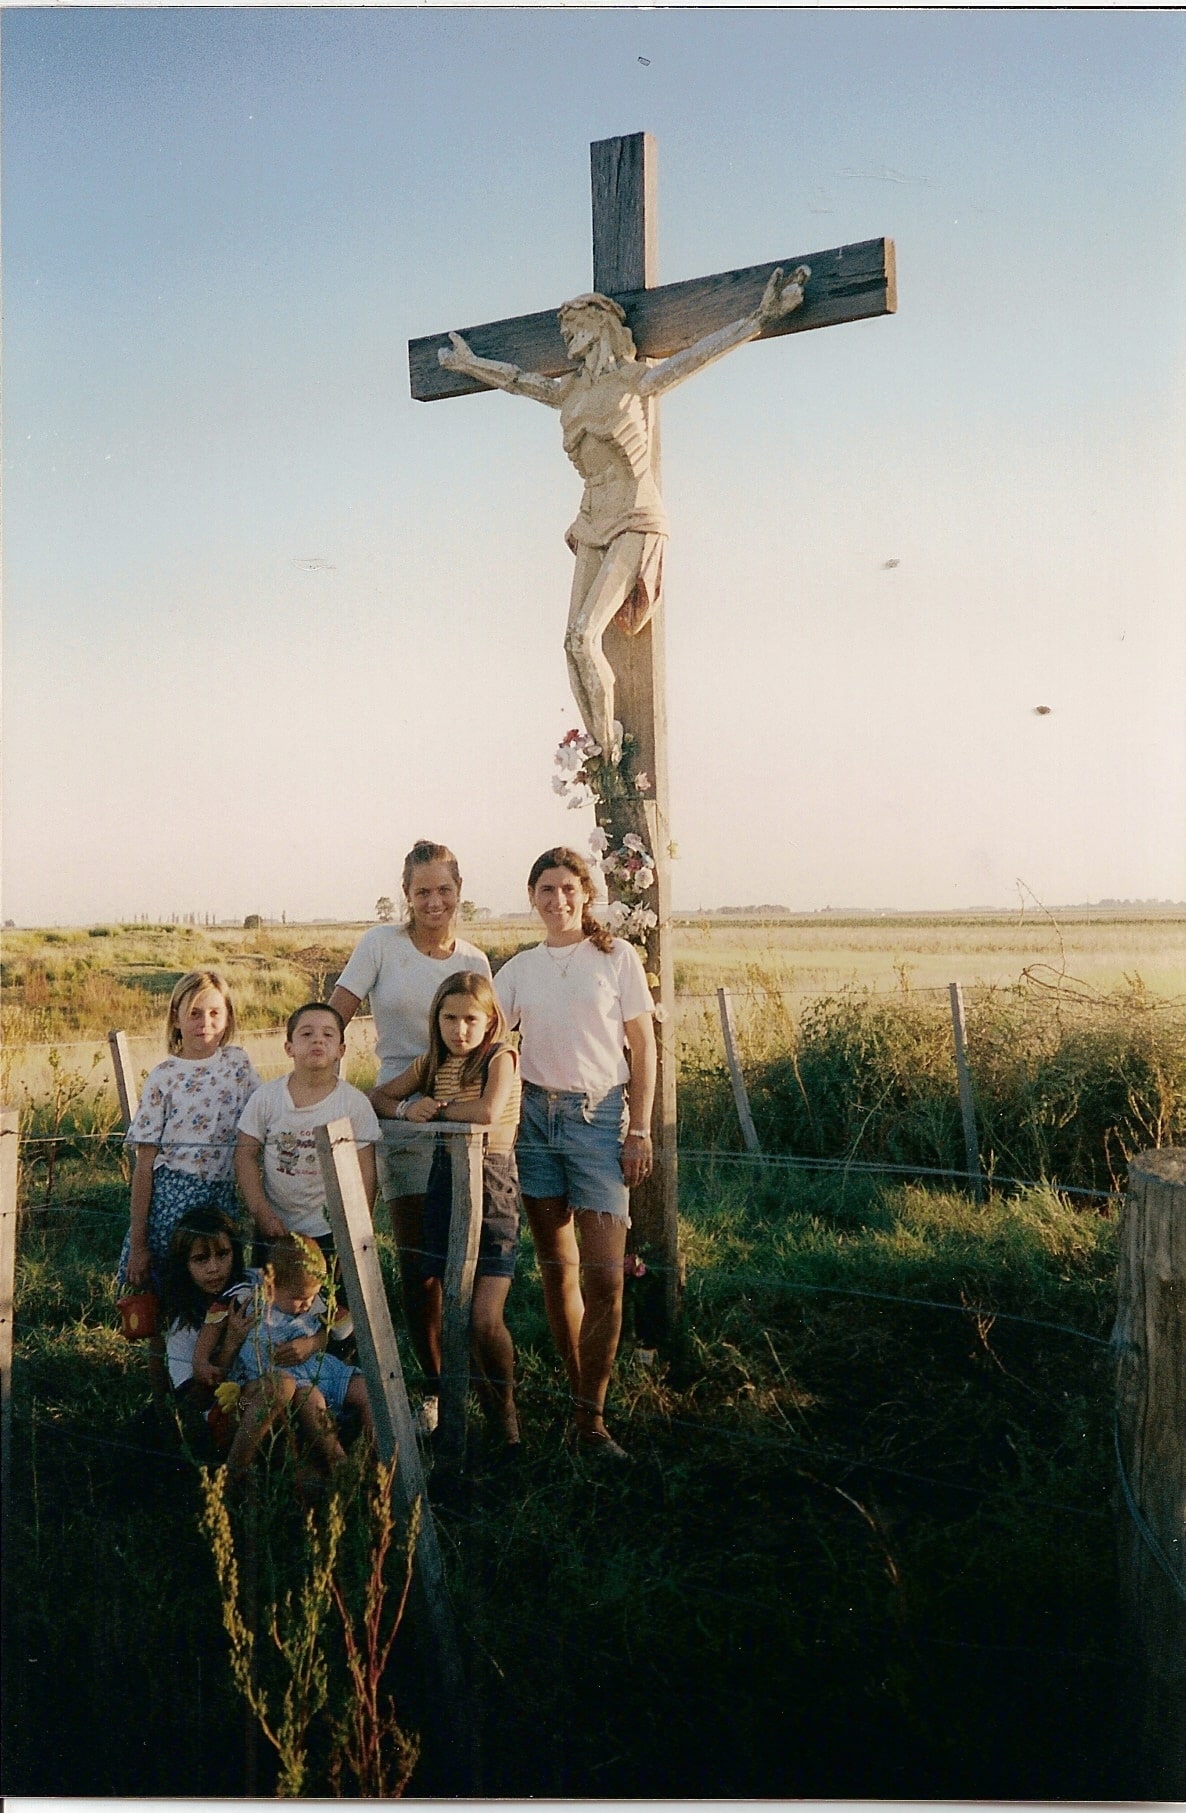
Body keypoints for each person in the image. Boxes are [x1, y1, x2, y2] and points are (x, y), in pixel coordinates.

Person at [438, 265, 810, 762]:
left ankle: (608, 754)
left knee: (583, 634)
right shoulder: (567, 391)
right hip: (592, 517)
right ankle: (602, 757)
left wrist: (759, 318)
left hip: (635, 515)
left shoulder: (637, 380)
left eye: (574, 323)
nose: (566, 332)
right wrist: (468, 364)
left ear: (601, 325)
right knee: (572, 644)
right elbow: (517, 382)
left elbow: (697, 357)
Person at [495, 847, 656, 1462]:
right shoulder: (519, 970)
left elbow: (643, 1048)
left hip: (600, 1119)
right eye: (545, 890)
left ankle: (592, 1421)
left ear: (586, 893)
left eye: (568, 889)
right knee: (558, 1271)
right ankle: (575, 1399)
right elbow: (482, 1030)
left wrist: (637, 1130)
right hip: (535, 1122)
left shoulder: (617, 959)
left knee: (606, 1278)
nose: (557, 901)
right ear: (532, 896)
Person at [330, 840, 491, 1433]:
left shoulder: (473, 956)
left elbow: (488, 1041)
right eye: (421, 891)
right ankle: (431, 1388)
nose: (433, 901)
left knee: (462, 1257)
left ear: (458, 891)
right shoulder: (379, 946)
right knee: (417, 1262)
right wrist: (331, 1094)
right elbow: (333, 1016)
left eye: (443, 890)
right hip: (399, 1118)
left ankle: (464, 1386)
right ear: (406, 894)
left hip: (461, 1127)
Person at [371, 971, 523, 1452]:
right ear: (436, 1020)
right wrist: (403, 1110)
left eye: (471, 1019)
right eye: (449, 1018)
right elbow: (381, 1096)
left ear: (490, 1019)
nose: (460, 1029)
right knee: (452, 1308)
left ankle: (507, 1418)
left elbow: (486, 1112)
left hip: (492, 1184)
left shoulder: (501, 1057)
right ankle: (463, 1415)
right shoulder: (432, 1063)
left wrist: (431, 1109)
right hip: (445, 1182)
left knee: (482, 1317)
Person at [118, 969, 260, 1295]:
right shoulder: (164, 1077)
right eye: (194, 1013)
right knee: (164, 1293)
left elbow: (267, 1111)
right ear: (176, 1017)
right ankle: (160, 1348)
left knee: (217, 1293)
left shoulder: (238, 1065)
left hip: (221, 1197)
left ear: (227, 1017)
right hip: (172, 1200)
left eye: (214, 1013)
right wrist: (139, 1243)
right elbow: (144, 1165)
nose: (205, 1023)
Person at [235, 1000, 381, 1293]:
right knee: (270, 1304)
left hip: (331, 1229)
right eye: (306, 1034)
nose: (318, 1039)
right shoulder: (267, 1098)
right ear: (288, 1047)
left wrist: (355, 1228)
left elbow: (366, 1171)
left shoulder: (353, 1104)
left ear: (341, 1050)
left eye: (329, 1035)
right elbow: (245, 1155)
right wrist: (261, 1212)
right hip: (276, 1227)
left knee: (331, 1306)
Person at [203, 1233, 373, 1483]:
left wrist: (318, 1335)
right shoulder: (249, 1300)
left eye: (312, 1297)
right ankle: (339, 1463)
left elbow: (342, 1326)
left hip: (316, 1369)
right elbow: (214, 1318)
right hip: (266, 1385)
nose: (307, 1305)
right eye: (299, 1299)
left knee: (368, 1390)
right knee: (309, 1398)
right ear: (270, 1287)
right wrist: (207, 1355)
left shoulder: (313, 1301)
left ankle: (379, 1462)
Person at [158, 1206, 256, 1404]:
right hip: (232, 1409)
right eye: (200, 1259)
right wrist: (230, 1344)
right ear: (184, 1265)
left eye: (222, 1254)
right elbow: (196, 1399)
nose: (214, 1268)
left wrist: (311, 1342)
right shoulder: (183, 1329)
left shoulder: (256, 1282)